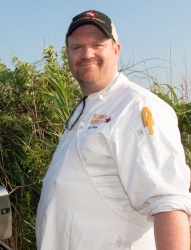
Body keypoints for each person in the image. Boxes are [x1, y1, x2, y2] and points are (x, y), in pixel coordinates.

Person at [36, 10, 191, 250]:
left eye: (97, 44)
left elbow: (168, 203)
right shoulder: (86, 108)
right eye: (77, 47)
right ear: (68, 54)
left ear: (116, 50)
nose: (86, 54)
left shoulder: (136, 106)